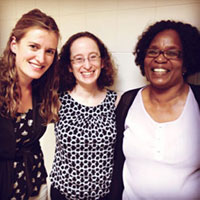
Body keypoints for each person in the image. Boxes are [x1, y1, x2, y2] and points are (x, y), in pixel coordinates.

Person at [109, 20, 200, 200]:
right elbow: (117, 165)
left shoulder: (198, 102)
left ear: (187, 62)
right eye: (152, 51)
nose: (160, 58)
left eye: (172, 53)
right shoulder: (128, 102)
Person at [50, 31, 120, 200]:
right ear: (69, 65)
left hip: (104, 196)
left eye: (93, 57)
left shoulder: (117, 101)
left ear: (102, 62)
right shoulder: (57, 100)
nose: (87, 65)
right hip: (63, 194)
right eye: (79, 59)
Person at [0, 9, 60, 200]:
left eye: (49, 51)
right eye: (33, 47)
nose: (41, 59)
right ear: (14, 45)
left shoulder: (43, 87)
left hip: (35, 184)